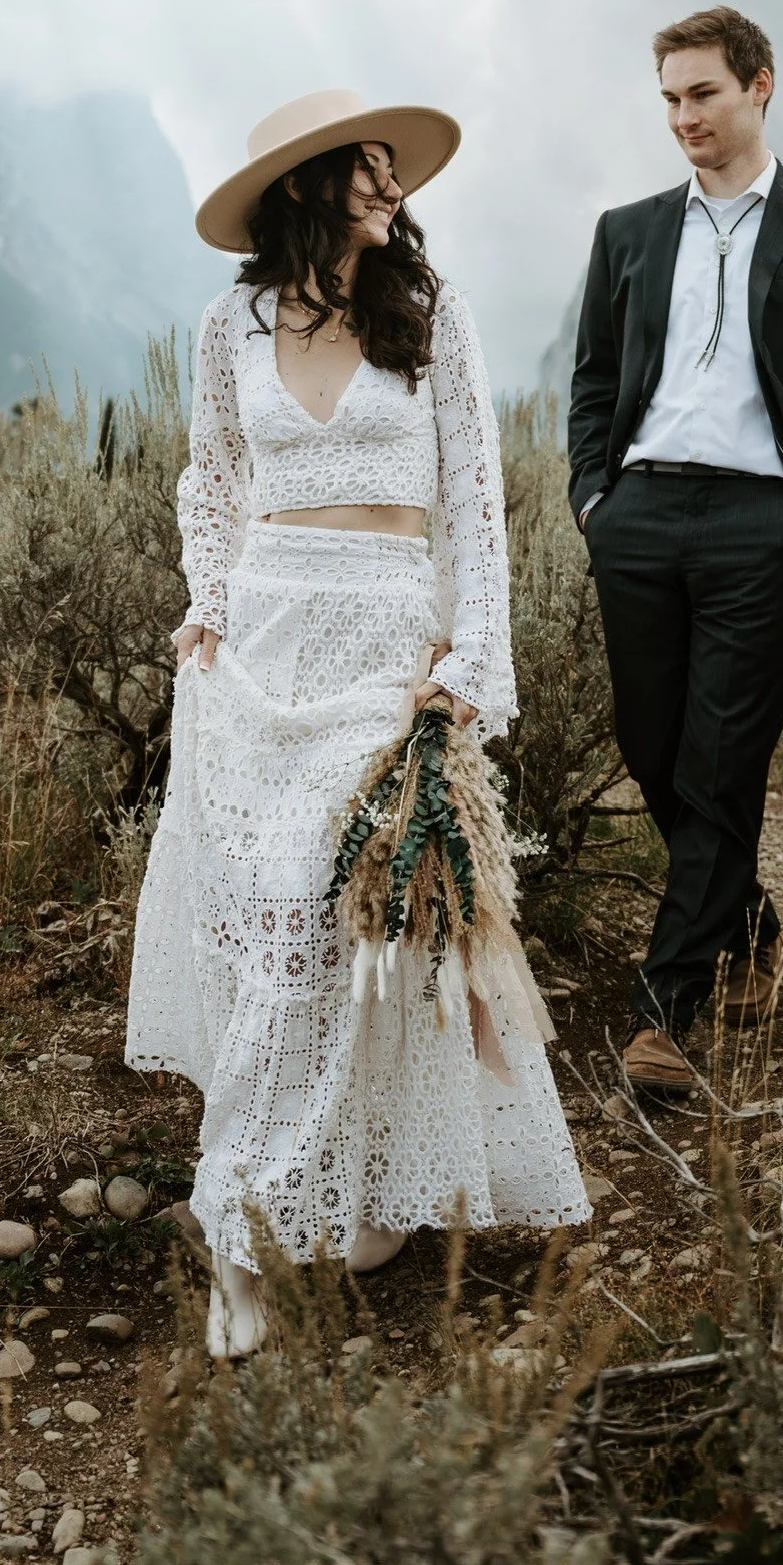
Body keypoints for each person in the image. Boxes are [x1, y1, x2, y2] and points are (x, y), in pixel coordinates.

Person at [126, 90, 588, 1355]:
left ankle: (277, 1216)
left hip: (384, 646)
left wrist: (472, 654)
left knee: (345, 919)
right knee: (277, 924)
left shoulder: (431, 317)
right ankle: (266, 1215)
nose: (391, 190)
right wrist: (205, 604)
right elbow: (210, 478)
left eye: (396, 172)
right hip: (260, 654)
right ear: (306, 187)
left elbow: (478, 502)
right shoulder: (233, 323)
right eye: (366, 172)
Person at [568, 9, 783, 1093]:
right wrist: (591, 499)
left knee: (721, 758)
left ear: (761, 85)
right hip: (641, 516)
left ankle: (665, 1007)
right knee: (652, 745)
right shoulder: (627, 230)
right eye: (669, 97)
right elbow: (591, 382)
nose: (683, 117)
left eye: (702, 93)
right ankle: (747, 924)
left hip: (765, 520)